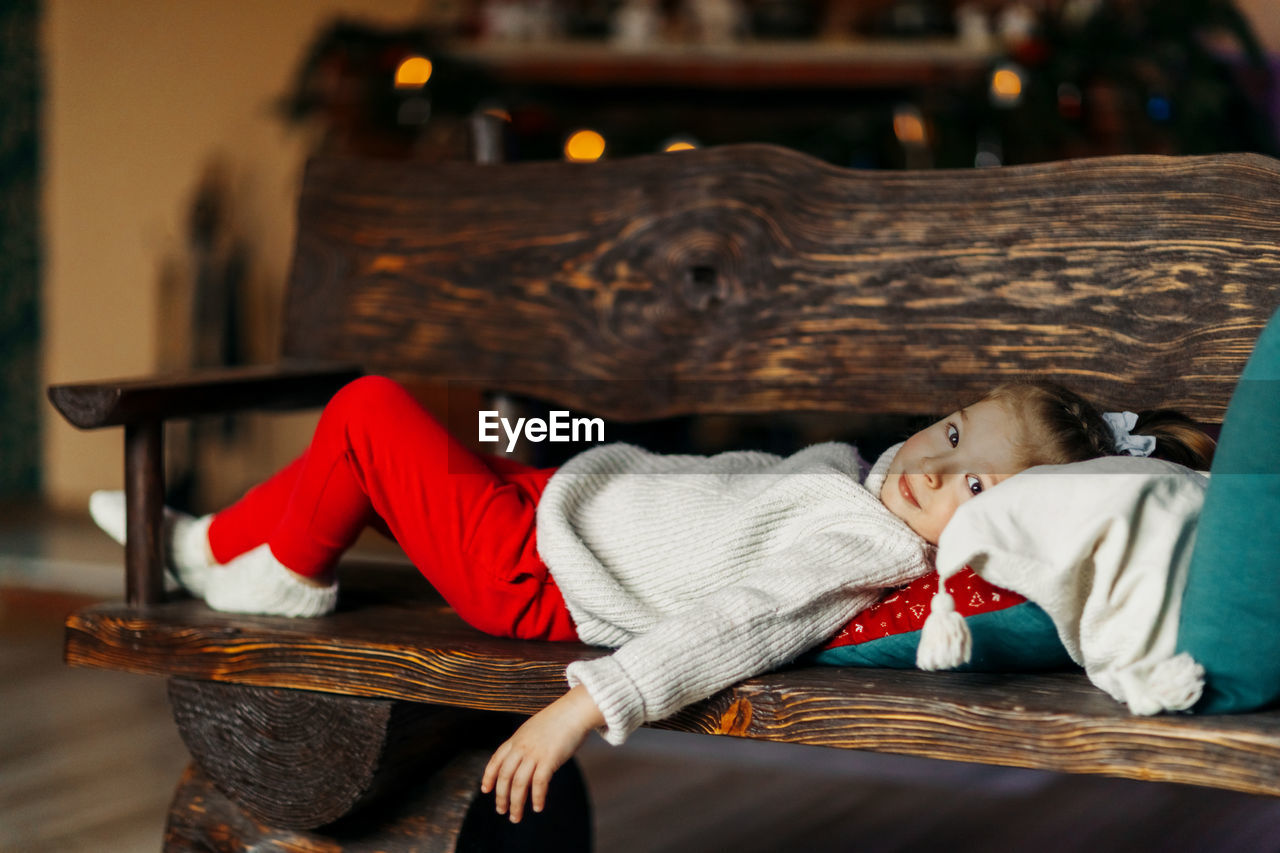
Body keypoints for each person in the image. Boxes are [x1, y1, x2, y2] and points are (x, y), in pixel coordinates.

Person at [87, 375, 1213, 822]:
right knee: (391, 440)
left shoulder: (860, 547)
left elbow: (733, 623)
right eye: (955, 431)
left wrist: (586, 704)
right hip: (564, 501)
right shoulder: (862, 484)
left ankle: (256, 566)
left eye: (970, 486)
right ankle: (226, 544)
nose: (929, 468)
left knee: (374, 409)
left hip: (533, 577)